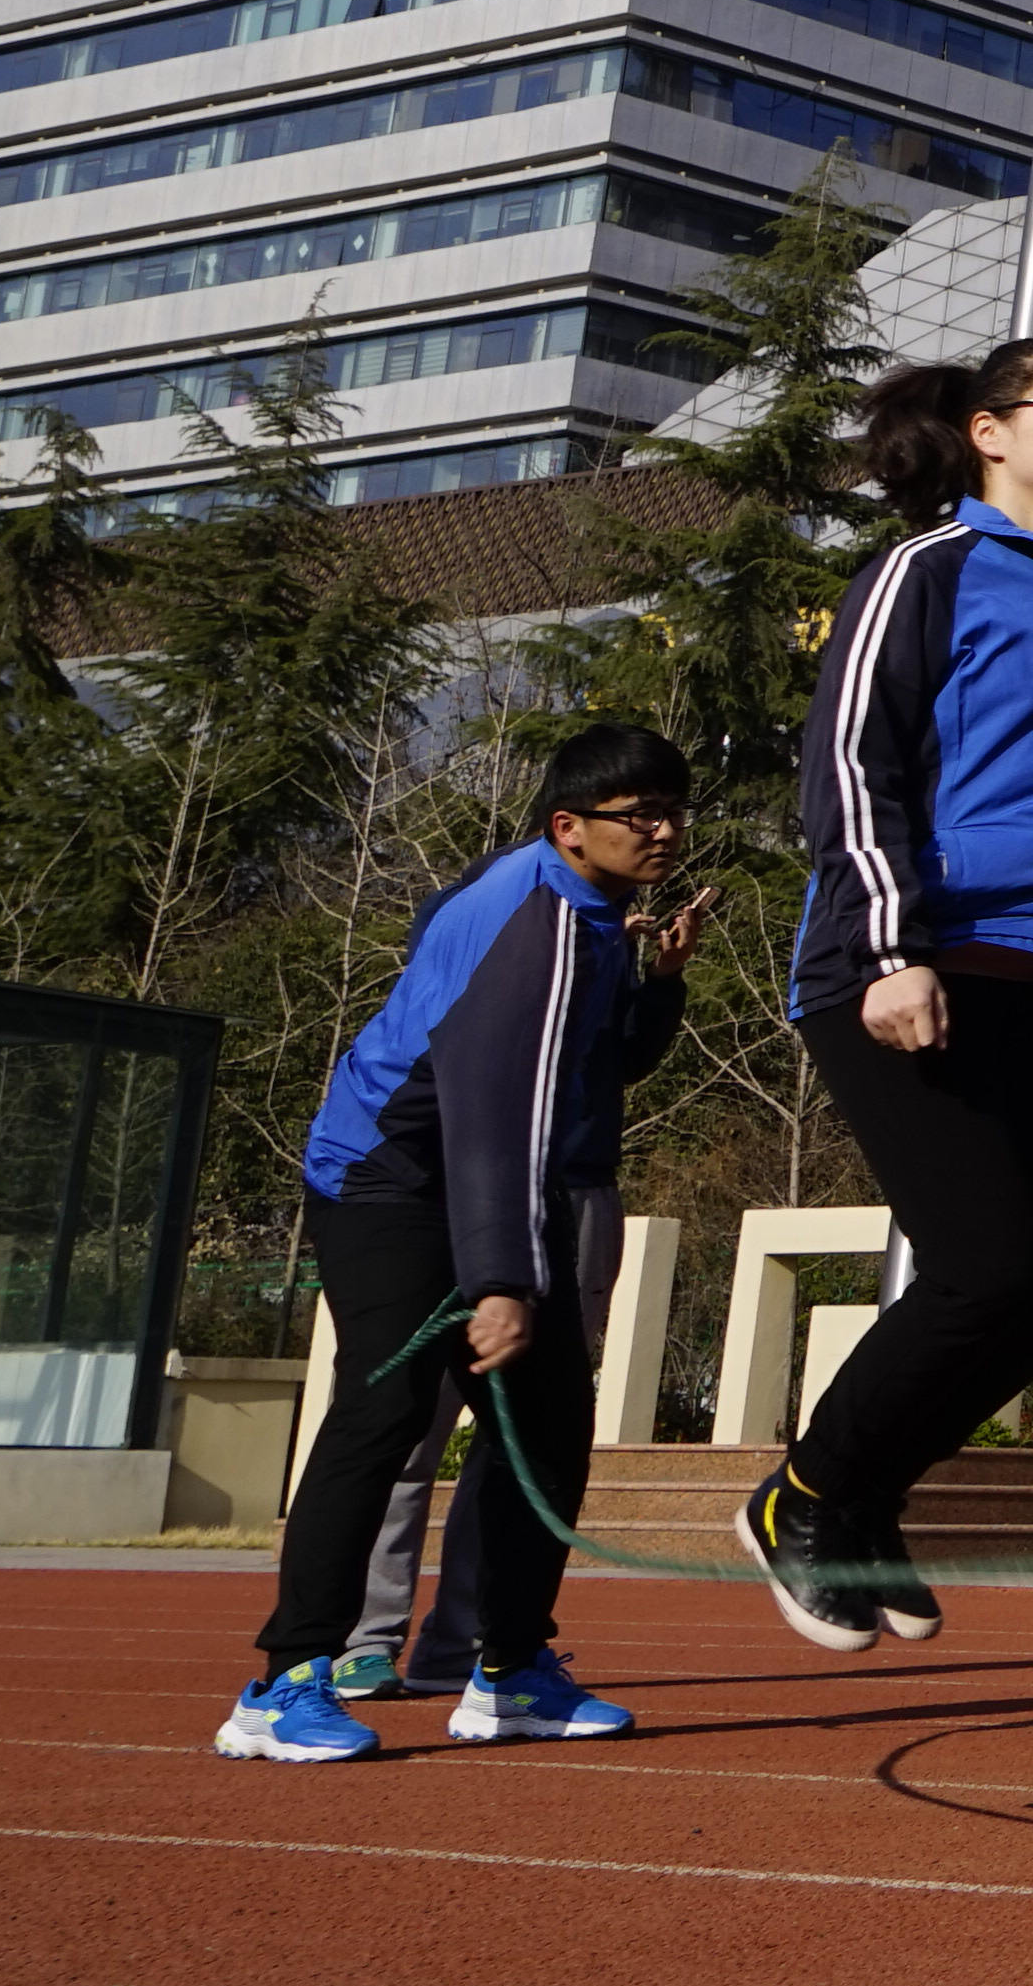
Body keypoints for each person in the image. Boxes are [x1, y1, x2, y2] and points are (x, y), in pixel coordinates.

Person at [755, 335, 1033, 1650]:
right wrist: (897, 947)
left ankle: (861, 1497)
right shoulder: (924, 573)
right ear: (988, 432)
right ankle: (808, 1498)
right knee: (984, 1265)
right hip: (907, 968)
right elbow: (854, 768)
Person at [221, 725, 700, 1761]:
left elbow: (594, 1076)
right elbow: (494, 1122)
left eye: (673, 811)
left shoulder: (588, 909)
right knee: (384, 1407)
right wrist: (498, 1279)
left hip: (484, 1176)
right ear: (569, 828)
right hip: (386, 1179)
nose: (664, 831)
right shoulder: (532, 931)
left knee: (549, 1414)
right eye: (640, 816)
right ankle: (286, 1678)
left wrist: (659, 982)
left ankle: (510, 1669)